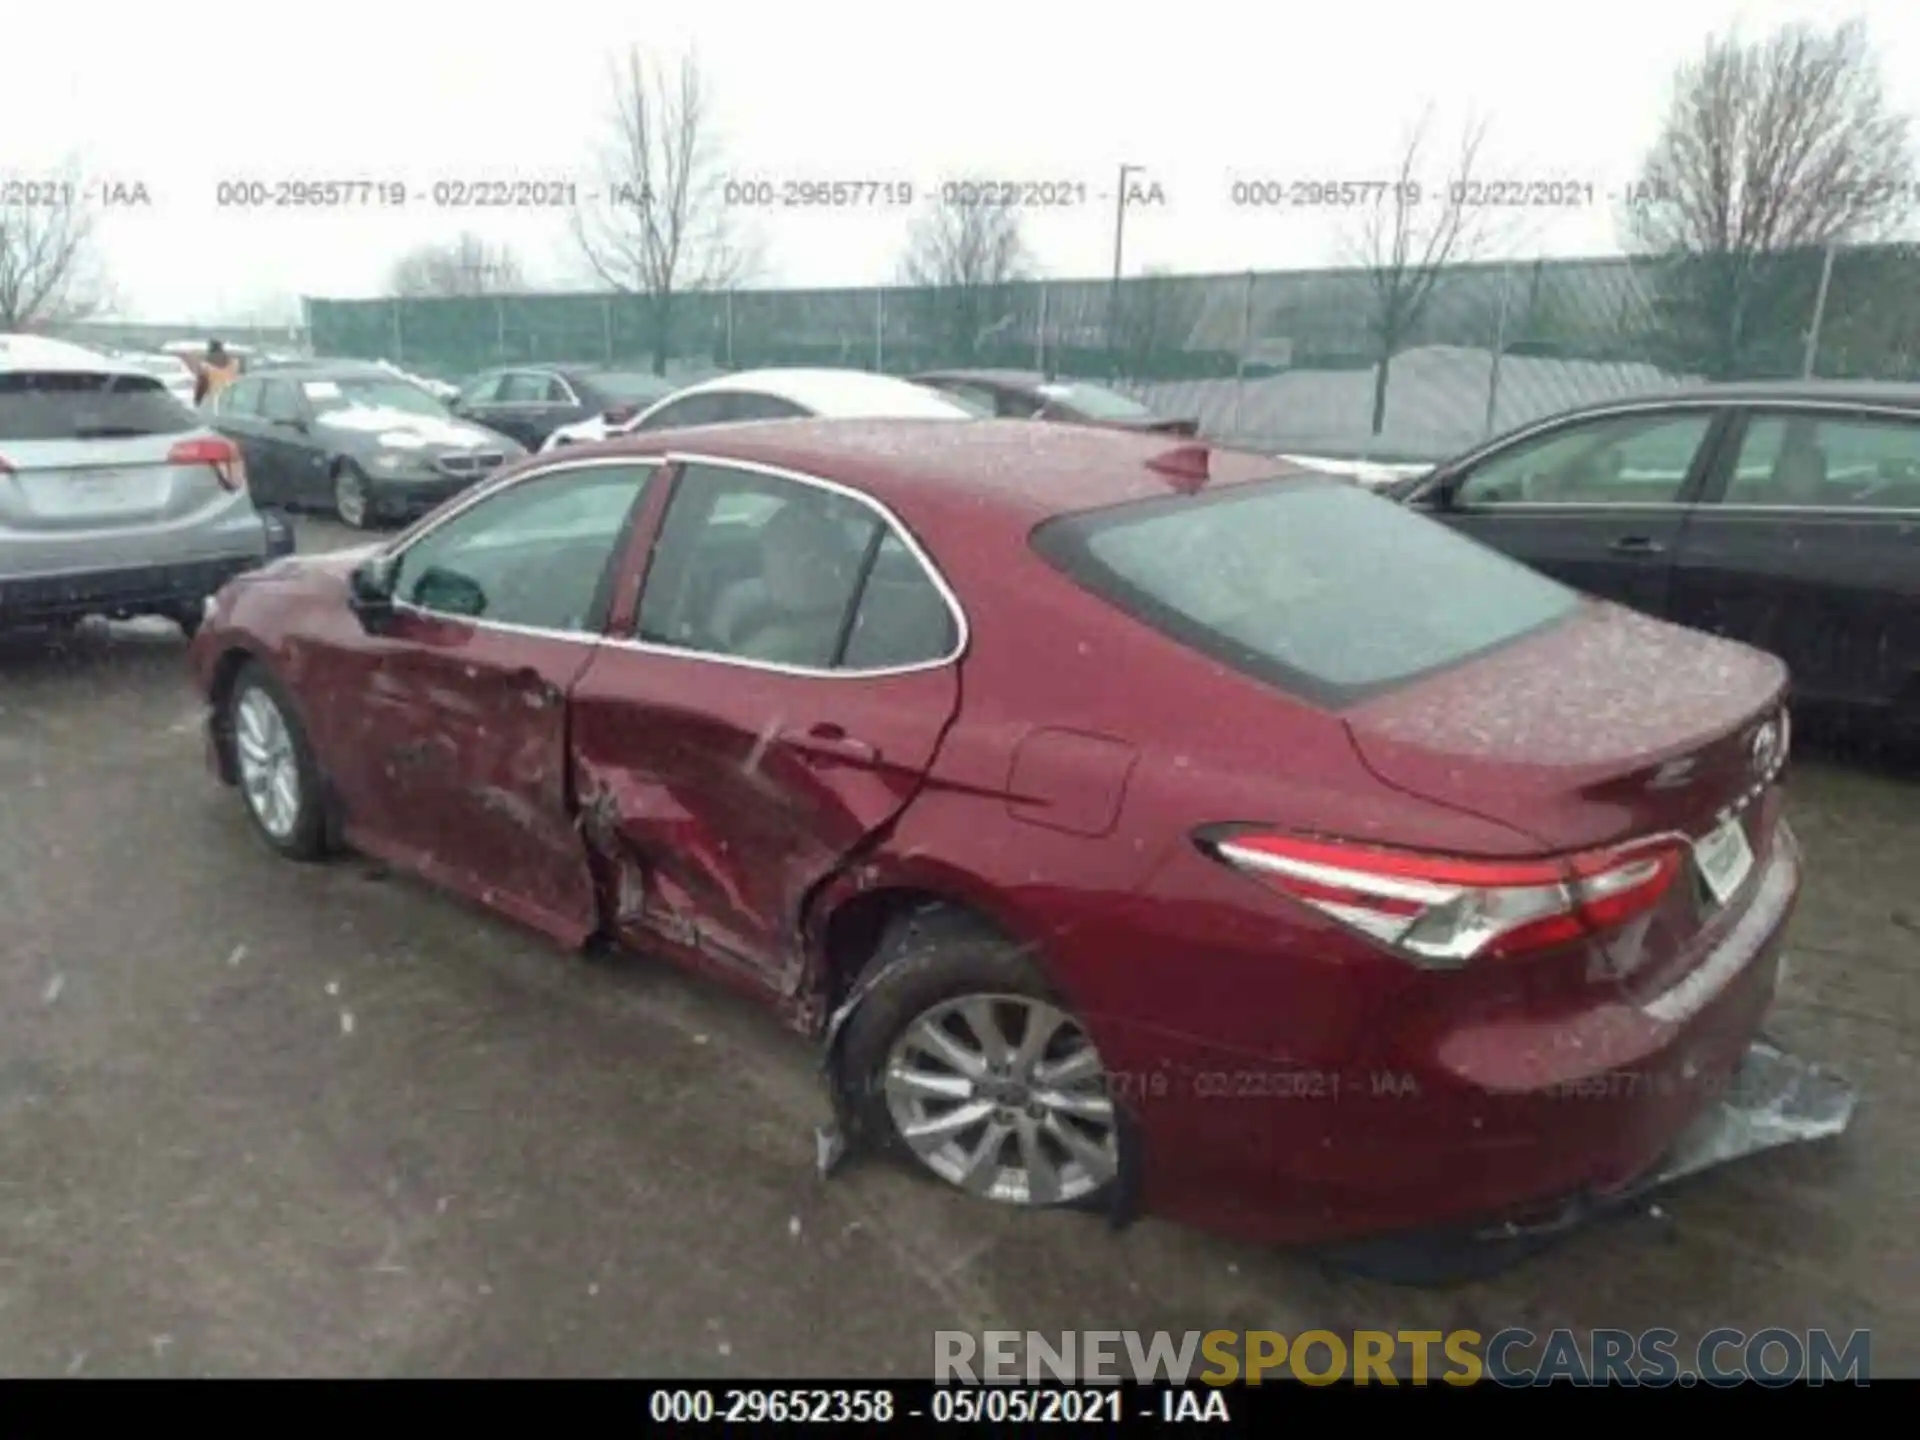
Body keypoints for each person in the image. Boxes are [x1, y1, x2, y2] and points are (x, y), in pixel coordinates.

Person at [194, 340, 241, 407]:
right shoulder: (233, 364)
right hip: (232, 401)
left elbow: (201, 386)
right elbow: (236, 381)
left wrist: (197, 401)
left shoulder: (205, 367)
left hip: (212, 402)